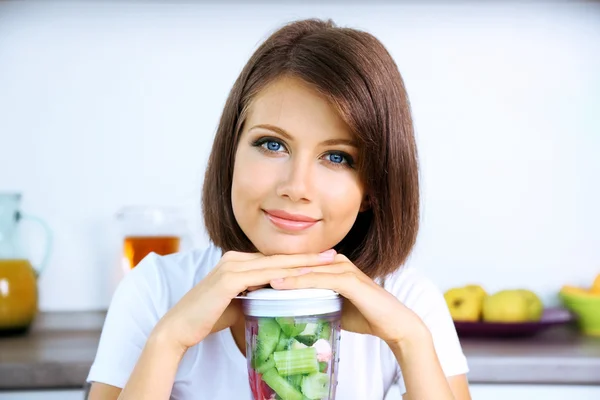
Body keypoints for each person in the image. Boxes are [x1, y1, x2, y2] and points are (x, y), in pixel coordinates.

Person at [87, 18, 471, 400]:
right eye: (272, 145)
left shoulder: (407, 299)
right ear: (230, 154)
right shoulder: (155, 290)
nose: (296, 188)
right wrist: (168, 340)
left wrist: (411, 341)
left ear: (372, 189)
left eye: (337, 156)